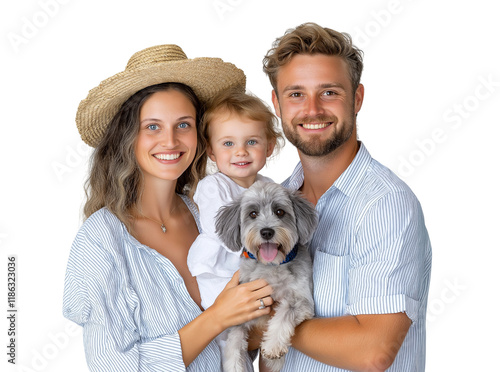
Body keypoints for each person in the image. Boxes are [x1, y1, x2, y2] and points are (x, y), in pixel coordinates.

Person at [62, 44, 274, 372]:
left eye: (184, 124)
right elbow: (113, 366)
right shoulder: (101, 240)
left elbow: (244, 338)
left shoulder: (211, 213)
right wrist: (217, 317)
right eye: (152, 126)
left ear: (202, 137)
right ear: (127, 137)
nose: (171, 141)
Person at [259, 22, 432, 371]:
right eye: (296, 94)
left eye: (329, 92)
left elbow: (373, 351)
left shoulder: (385, 205)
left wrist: (264, 328)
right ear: (277, 104)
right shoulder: (275, 202)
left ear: (357, 98)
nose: (312, 109)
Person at [187, 89, 282, 311]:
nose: (241, 152)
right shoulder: (213, 186)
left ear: (268, 147)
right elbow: (219, 227)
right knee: (226, 321)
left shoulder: (269, 185)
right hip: (220, 269)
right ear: (211, 150)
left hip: (256, 265)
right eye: (228, 144)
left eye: (251, 142)